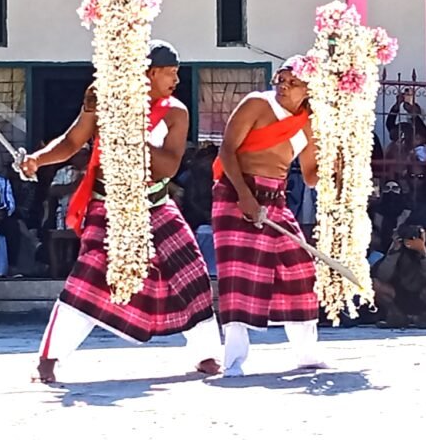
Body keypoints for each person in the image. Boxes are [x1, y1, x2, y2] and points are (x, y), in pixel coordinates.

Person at [21, 40, 221, 383]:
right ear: (149, 73)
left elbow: (168, 167)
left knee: (192, 271)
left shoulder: (176, 112)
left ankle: (207, 354)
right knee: (88, 278)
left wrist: (127, 130)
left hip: (155, 203)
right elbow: (72, 142)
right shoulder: (101, 96)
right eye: (170, 73)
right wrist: (38, 160)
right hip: (107, 205)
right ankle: (49, 359)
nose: (176, 79)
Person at [212, 55, 324, 377]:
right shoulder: (257, 105)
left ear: (308, 90)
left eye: (293, 83)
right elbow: (226, 151)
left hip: (276, 200)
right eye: (282, 79)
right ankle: (232, 361)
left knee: (300, 269)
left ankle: (307, 354)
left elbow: (311, 175)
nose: (284, 87)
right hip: (237, 193)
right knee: (240, 277)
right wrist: (245, 197)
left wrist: (340, 162)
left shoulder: (308, 123)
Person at [373, 224, 426, 329]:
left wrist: (423, 253)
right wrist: (394, 251)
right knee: (375, 284)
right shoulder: (397, 245)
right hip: (398, 292)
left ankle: (424, 317)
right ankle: (396, 316)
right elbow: (382, 276)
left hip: (423, 292)